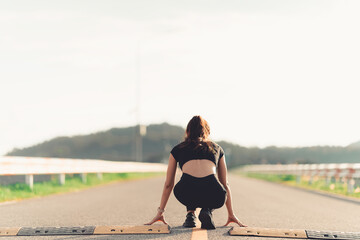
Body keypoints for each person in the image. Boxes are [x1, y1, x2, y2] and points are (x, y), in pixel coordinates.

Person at [145, 115, 247, 229]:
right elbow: (225, 183)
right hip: (212, 190)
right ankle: (207, 210)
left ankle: (190, 215)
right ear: (207, 131)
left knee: (190, 183)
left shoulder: (177, 149)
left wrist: (160, 212)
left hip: (186, 191)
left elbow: (168, 184)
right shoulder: (217, 148)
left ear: (188, 131)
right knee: (216, 189)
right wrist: (231, 214)